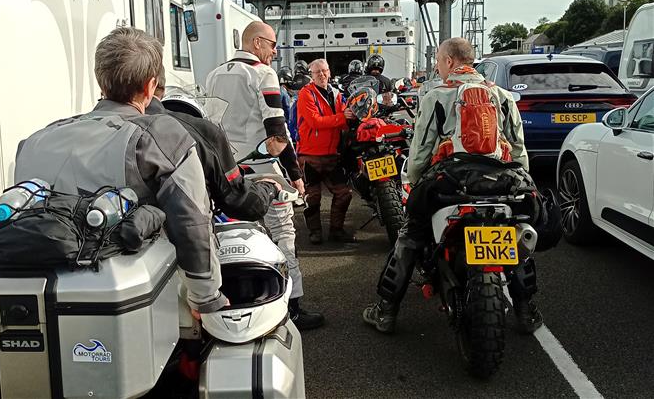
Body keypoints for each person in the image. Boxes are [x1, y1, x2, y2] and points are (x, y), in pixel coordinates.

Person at [14, 27, 227, 319]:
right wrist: (206, 298)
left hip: (39, 297)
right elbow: (191, 221)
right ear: (151, 87)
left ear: (101, 81)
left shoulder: (38, 139)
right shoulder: (161, 136)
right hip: (128, 300)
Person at [362, 37, 543, 335]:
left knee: (410, 235)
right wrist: (522, 184)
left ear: (448, 62)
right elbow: (518, 148)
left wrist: (414, 183)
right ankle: (526, 310)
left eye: (438, 62)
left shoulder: (437, 95)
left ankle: (386, 311)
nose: (437, 67)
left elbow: (420, 151)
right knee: (511, 235)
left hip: (452, 183)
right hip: (502, 182)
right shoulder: (503, 96)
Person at [205, 21, 324, 331]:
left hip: (226, 176)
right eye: (272, 44)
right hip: (261, 172)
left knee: (230, 239)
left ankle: (240, 301)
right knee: (283, 235)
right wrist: (295, 174)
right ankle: (293, 307)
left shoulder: (214, 74)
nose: (275, 51)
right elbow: (278, 133)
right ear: (256, 43)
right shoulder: (262, 74)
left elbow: (210, 128)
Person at [148, 88, 281, 221]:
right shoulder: (205, 133)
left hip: (140, 229)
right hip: (188, 231)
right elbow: (242, 202)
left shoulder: (139, 129)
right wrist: (269, 187)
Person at [296, 59, 356, 244]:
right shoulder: (306, 94)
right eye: (317, 72)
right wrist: (342, 117)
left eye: (324, 71)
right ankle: (315, 232)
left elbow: (345, 119)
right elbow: (315, 121)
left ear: (329, 72)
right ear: (311, 75)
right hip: (310, 156)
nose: (321, 74)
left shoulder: (337, 94)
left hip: (332, 155)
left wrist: (351, 118)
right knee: (312, 197)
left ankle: (336, 231)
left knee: (344, 193)